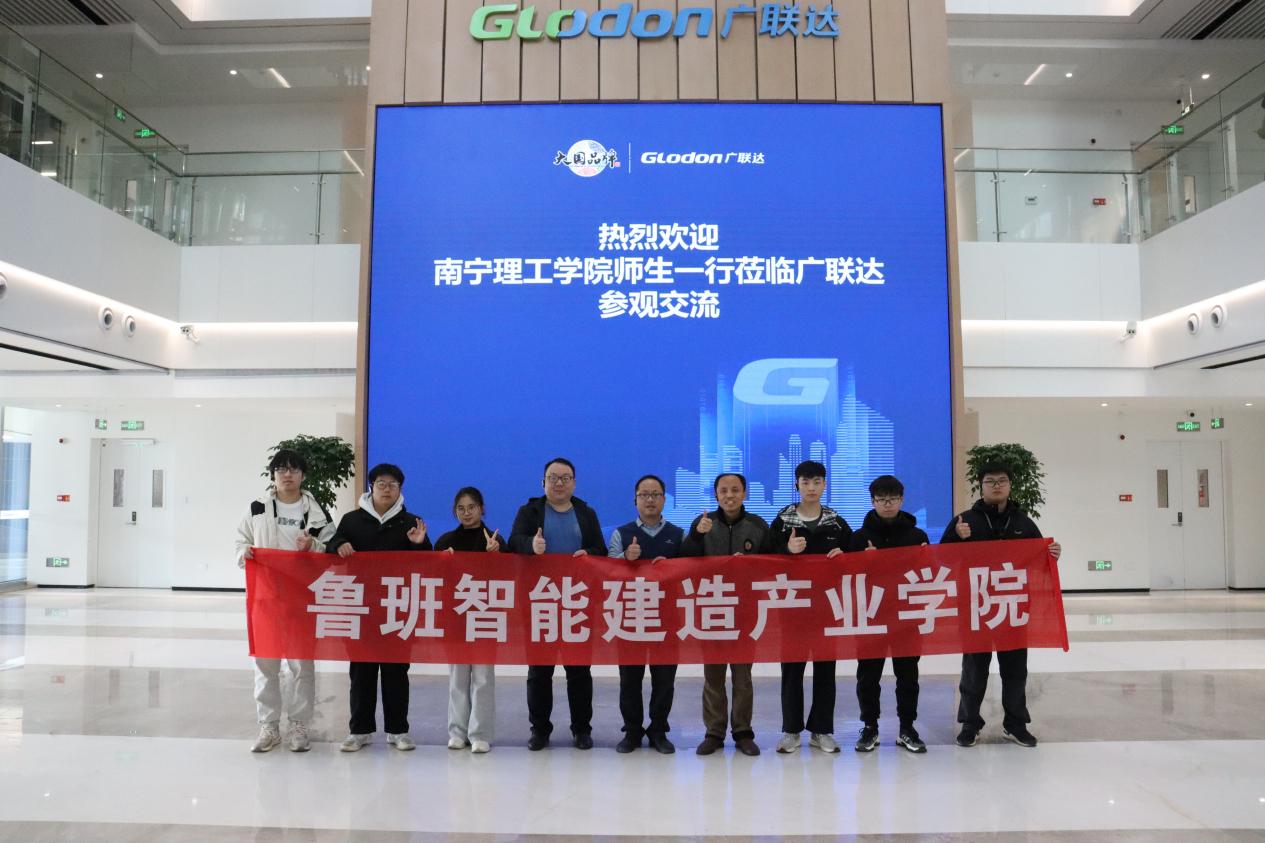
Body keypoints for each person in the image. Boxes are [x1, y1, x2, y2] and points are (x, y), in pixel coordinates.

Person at [941, 461, 1062, 749]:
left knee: (1015, 670)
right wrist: (957, 538)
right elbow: (941, 560)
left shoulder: (1023, 523)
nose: (997, 485)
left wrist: (1052, 554)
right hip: (976, 607)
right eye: (990, 481)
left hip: (1012, 607)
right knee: (974, 670)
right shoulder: (964, 520)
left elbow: (1037, 561)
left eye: (1002, 480)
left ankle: (1015, 724)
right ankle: (970, 724)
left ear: (1010, 485)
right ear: (980, 486)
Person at [325, 463, 432, 753]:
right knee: (361, 671)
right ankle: (359, 730)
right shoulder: (351, 520)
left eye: (393, 485)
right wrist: (339, 544)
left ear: (400, 489)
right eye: (381, 484)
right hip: (360, 607)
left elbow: (428, 562)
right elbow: (331, 545)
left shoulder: (411, 522)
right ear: (371, 487)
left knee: (397, 671)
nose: (387, 489)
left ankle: (398, 730)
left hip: (397, 608)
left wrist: (419, 544)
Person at [235, 448, 335, 753]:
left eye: (293, 470)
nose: (287, 475)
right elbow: (241, 541)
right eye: (281, 470)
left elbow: (331, 547)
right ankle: (268, 726)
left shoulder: (317, 512)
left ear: (303, 476)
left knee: (302, 664)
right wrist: (245, 552)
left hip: (302, 598)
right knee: (265, 663)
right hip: (266, 597)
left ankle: (299, 725)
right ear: (273, 476)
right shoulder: (257, 508)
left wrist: (313, 544)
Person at [508, 457, 606, 751]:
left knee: (579, 671)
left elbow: (600, 549)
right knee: (540, 671)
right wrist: (531, 545)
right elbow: (514, 541)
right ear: (543, 483)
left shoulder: (586, 513)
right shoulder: (529, 511)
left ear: (574, 483)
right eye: (553, 478)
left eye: (565, 478)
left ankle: (582, 730)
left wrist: (589, 553)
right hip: (541, 601)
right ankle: (539, 730)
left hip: (577, 602)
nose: (559, 483)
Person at [681, 472, 769, 757]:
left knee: (743, 677)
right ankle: (714, 732)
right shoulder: (703, 522)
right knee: (713, 676)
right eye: (723, 490)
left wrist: (751, 565)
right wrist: (697, 535)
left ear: (745, 494)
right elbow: (684, 558)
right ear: (716, 494)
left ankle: (743, 732)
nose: (729, 495)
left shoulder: (757, 525)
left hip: (745, 611)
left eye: (735, 490)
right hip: (712, 608)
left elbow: (772, 563)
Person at [767, 460, 851, 755]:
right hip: (792, 606)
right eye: (806, 482)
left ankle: (821, 730)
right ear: (797, 485)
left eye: (817, 482)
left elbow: (854, 557)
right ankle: (791, 731)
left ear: (824, 485)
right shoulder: (782, 520)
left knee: (825, 669)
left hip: (827, 606)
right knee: (792, 670)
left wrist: (845, 555)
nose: (811, 488)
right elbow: (765, 558)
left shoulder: (837, 522)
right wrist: (786, 550)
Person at [849, 474, 929, 754]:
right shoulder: (859, 537)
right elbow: (846, 577)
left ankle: (907, 727)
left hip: (907, 615)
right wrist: (865, 562)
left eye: (892, 499)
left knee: (908, 675)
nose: (887, 504)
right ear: (872, 501)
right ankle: (869, 727)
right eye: (881, 499)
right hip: (871, 615)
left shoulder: (917, 536)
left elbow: (928, 574)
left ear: (902, 500)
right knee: (868, 676)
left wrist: (925, 558)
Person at [608, 474, 684, 755]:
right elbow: (607, 571)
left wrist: (673, 566)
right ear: (635, 500)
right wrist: (625, 559)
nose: (650, 500)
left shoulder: (678, 534)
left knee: (664, 679)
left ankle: (658, 730)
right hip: (631, 615)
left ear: (664, 499)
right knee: (629, 679)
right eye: (644, 495)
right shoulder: (621, 534)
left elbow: (689, 570)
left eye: (655, 494)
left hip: (667, 617)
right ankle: (631, 731)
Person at [434, 486, 505, 754]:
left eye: (472, 507)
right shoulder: (445, 541)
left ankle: (480, 734)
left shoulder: (495, 540)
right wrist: (443, 561)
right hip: (456, 618)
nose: (466, 513)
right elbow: (433, 576)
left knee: (483, 678)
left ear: (482, 509)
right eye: (461, 508)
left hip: (486, 617)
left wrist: (496, 554)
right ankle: (457, 732)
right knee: (458, 678)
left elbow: (509, 575)